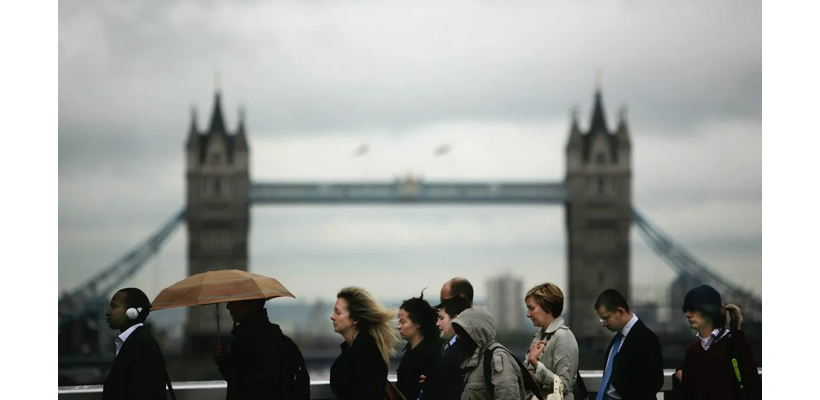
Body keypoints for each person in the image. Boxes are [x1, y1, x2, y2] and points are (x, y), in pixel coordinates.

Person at [676, 284, 762, 400]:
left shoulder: (735, 344)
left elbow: (752, 388)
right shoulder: (693, 350)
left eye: (693, 309)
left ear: (709, 311)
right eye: (686, 310)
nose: (688, 314)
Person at [212, 298, 294, 399]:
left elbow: (247, 385)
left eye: (234, 301)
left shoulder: (258, 339)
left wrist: (226, 361)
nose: (228, 306)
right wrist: (224, 360)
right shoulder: (260, 335)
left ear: (249, 303)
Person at [102, 287, 174, 400]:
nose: (108, 312)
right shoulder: (135, 341)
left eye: (114, 306)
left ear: (132, 313)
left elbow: (144, 392)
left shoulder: (141, 345)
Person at [330, 286, 401, 400]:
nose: (332, 317)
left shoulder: (366, 354)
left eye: (337, 312)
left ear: (355, 319)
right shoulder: (356, 349)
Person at [593, 289, 664, 400]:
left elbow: (653, 383)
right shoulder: (617, 339)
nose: (604, 324)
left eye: (606, 318)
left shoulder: (646, 338)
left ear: (620, 311)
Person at [452, 307, 528, 400]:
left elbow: (507, 395)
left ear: (477, 332)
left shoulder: (498, 358)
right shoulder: (475, 359)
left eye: (462, 333)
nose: (458, 338)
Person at [524, 282, 579, 400]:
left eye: (531, 308)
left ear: (548, 307)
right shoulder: (539, 336)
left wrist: (535, 363)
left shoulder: (564, 337)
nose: (528, 314)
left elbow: (563, 386)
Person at [417, 296, 473, 400]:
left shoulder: (461, 351)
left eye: (441, 318)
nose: (437, 323)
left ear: (456, 320)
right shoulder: (452, 348)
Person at [395, 289, 442, 400]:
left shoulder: (427, 355)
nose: (398, 326)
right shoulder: (413, 351)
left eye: (403, 321)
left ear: (418, 323)